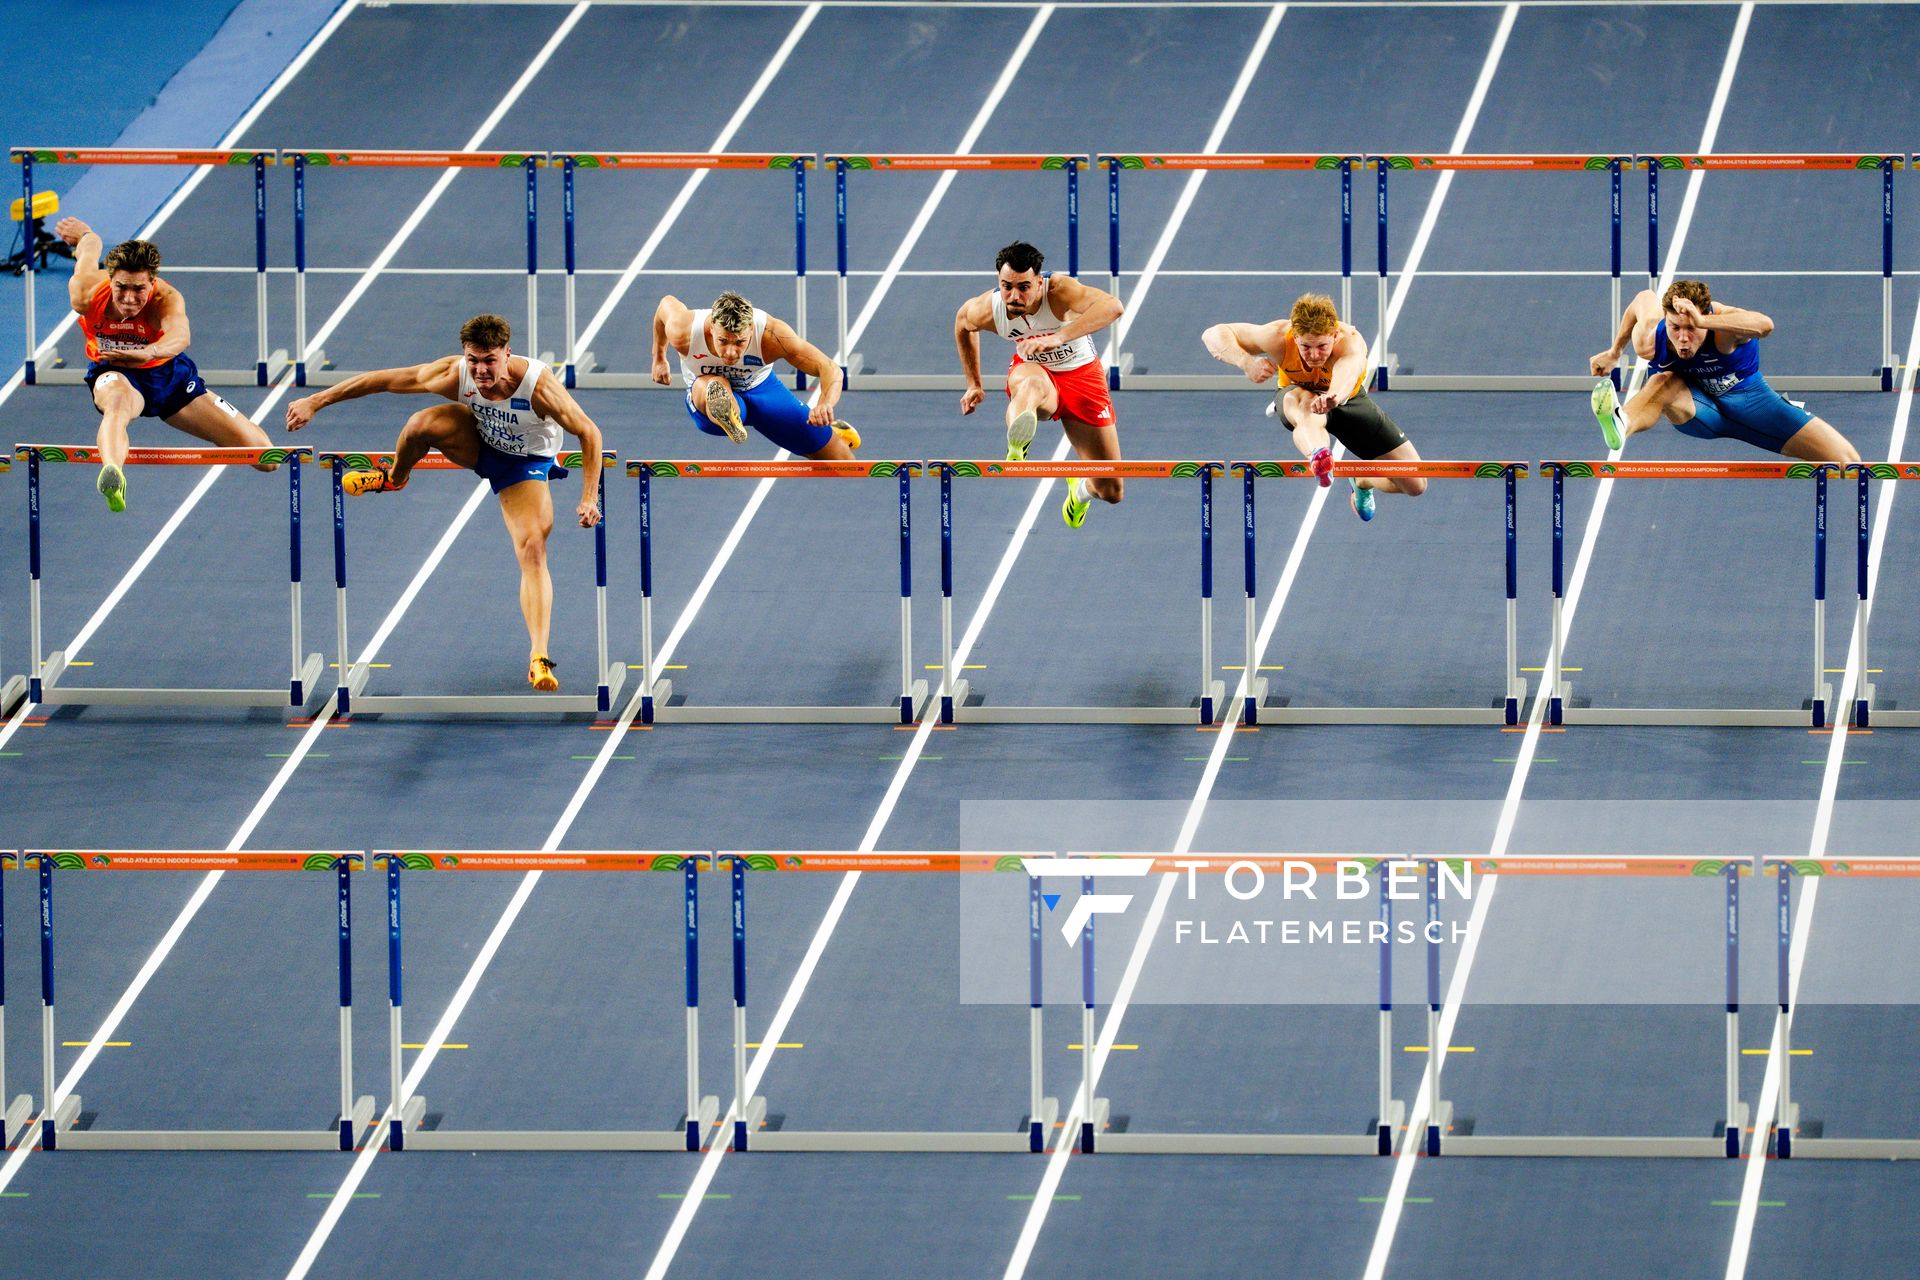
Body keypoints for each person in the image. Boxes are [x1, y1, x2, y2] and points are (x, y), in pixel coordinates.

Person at [284, 314, 602, 693]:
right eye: (473, 360)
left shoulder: (538, 386)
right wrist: (315, 401)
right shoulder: (455, 373)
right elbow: (382, 380)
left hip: (525, 464)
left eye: (490, 360)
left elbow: (589, 432)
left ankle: (538, 656)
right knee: (420, 424)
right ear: (464, 355)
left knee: (532, 548)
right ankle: (394, 478)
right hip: (476, 441)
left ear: (507, 354)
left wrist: (588, 496)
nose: (481, 371)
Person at [57, 218, 275, 511]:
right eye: (121, 287)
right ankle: (113, 473)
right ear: (109, 280)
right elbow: (88, 253)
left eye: (138, 289)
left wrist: (149, 353)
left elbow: (181, 335)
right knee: (118, 403)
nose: (129, 299)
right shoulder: (86, 292)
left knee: (265, 458)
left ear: (152, 282)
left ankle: (117, 463)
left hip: (168, 375)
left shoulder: (166, 299)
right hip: (115, 373)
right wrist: (84, 233)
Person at [1201, 294, 1425, 521]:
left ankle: (1362, 480)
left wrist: (1333, 396)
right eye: (1306, 347)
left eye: (1322, 346)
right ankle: (1319, 456)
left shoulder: (1351, 341)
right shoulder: (1277, 335)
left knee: (1415, 484)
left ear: (1334, 335)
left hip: (1347, 399)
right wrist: (1247, 362)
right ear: (1295, 337)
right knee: (1304, 406)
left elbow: (1349, 370)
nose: (1314, 355)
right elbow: (1213, 334)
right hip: (1297, 397)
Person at [954, 240, 1125, 529]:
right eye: (1007, 286)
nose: (1015, 295)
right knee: (1030, 386)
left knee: (1111, 490)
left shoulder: (1060, 291)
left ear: (1039, 282)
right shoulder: (989, 309)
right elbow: (962, 325)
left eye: (1023, 287)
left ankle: (1079, 491)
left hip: (1083, 377)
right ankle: (1017, 440)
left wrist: (1059, 337)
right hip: (1035, 373)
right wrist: (974, 383)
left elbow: (1113, 307)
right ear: (999, 281)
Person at [1590, 281, 1860, 464]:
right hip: (1700, 411)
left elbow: (1765, 325)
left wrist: (1704, 320)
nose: (1683, 338)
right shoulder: (1652, 338)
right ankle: (1621, 423)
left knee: (1849, 461)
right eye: (1675, 328)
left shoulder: (1724, 332)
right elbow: (1643, 298)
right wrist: (1614, 353)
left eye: (1691, 329)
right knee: (1663, 380)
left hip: (1754, 406)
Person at [651, 290, 859, 457]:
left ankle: (832, 432)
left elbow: (829, 368)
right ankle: (728, 415)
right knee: (713, 383)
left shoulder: (773, 336)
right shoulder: (684, 329)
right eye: (723, 341)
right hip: (706, 402)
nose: (731, 353)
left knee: (843, 462)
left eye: (740, 342)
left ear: (751, 329)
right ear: (711, 328)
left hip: (762, 391)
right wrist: (659, 357)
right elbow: (665, 305)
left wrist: (825, 403)